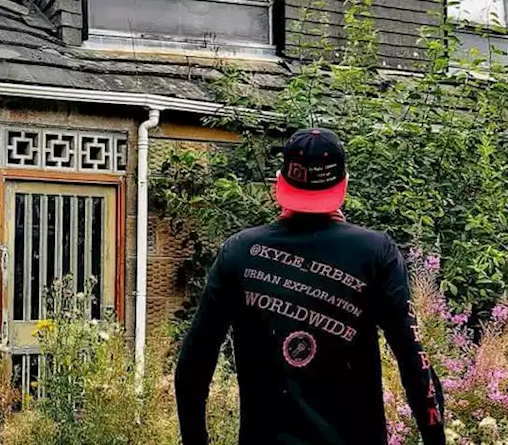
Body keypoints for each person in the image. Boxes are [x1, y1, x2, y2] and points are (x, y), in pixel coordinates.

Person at [175, 128, 445, 445]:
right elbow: (415, 364)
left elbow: (193, 365)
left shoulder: (239, 252)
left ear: (280, 181)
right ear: (343, 184)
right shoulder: (375, 253)